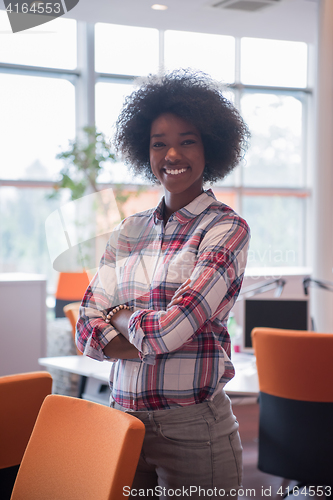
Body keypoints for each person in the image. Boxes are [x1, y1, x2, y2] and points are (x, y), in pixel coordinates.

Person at [76, 69, 250, 499]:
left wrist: (120, 316)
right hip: (121, 420)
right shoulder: (128, 230)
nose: (172, 153)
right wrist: (145, 333)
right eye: (159, 143)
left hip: (193, 430)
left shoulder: (226, 228)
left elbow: (169, 331)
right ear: (145, 151)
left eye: (187, 140)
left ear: (210, 146)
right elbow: (84, 328)